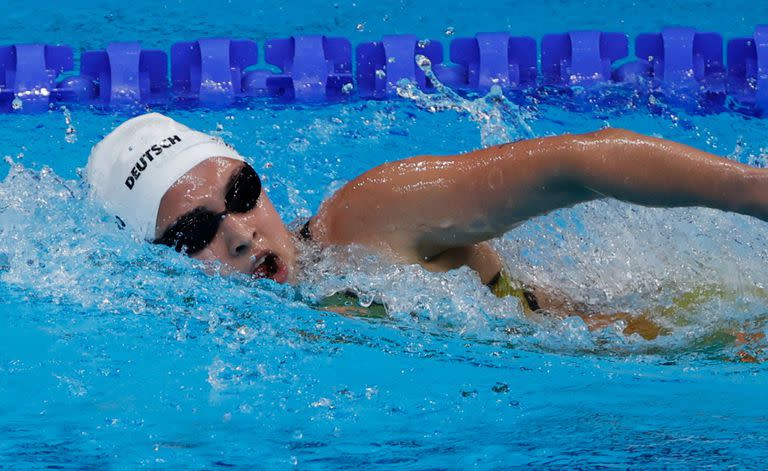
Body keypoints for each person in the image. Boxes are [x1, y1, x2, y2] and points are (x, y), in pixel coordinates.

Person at [87, 113, 768, 339]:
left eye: (242, 192)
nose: (239, 232)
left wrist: (751, 190)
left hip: (680, 342)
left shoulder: (366, 218)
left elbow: (576, 160)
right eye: (193, 231)